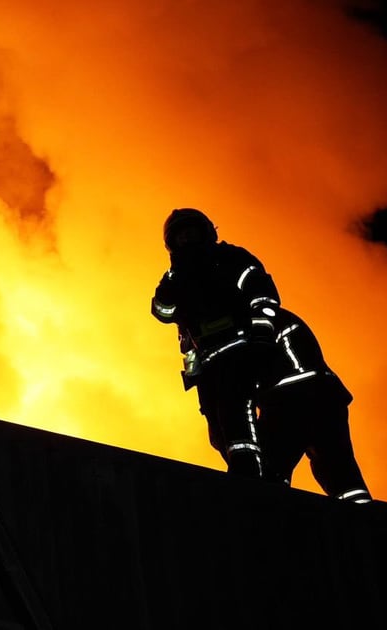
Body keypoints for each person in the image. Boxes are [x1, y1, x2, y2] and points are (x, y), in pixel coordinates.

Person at [151, 208, 279, 478]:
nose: (187, 238)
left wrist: (262, 337)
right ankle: (257, 470)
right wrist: (171, 279)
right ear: (172, 243)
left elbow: (263, 297)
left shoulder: (231, 259)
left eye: (191, 232)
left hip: (240, 350)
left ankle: (249, 474)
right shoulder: (176, 276)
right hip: (206, 363)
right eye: (181, 235)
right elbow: (162, 312)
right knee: (217, 429)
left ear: (206, 232)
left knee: (235, 412)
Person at [256, 307, 373, 503]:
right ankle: (366, 515)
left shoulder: (241, 324)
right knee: (341, 474)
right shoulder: (269, 315)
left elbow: (237, 392)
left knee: (266, 471)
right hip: (326, 397)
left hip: (290, 402)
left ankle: (267, 513)